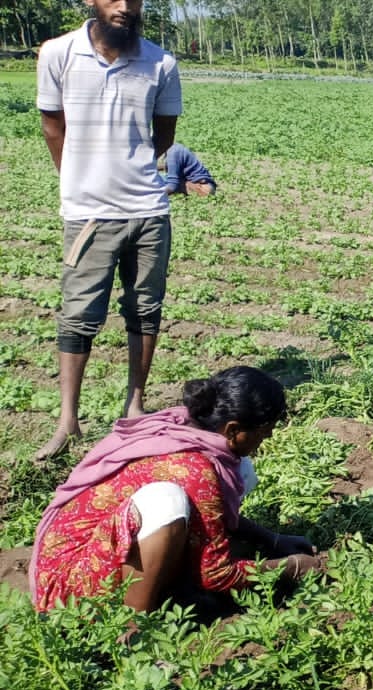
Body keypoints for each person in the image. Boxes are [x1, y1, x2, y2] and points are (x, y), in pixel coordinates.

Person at [30, 367, 319, 614]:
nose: (266, 438)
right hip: (68, 588)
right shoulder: (195, 469)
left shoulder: (185, 424)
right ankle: (132, 627)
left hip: (95, 550)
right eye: (263, 431)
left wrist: (271, 538)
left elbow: (210, 513)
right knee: (166, 502)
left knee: (242, 470)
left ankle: (163, 583)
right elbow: (216, 574)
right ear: (232, 430)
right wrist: (292, 566)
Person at [34, 0, 183, 460]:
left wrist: (128, 170)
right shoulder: (58, 53)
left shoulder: (161, 62)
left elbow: (164, 135)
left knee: (145, 309)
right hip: (89, 214)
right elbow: (52, 125)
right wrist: (78, 181)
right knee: (79, 314)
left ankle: (134, 406)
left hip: (147, 211)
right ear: (89, 2)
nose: (124, 6)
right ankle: (68, 421)